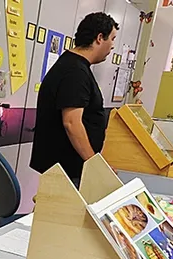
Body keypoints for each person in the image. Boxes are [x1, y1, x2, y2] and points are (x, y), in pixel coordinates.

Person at [30, 12, 119, 186]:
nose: (113, 46)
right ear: (99, 38)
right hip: (66, 172)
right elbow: (71, 122)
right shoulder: (75, 72)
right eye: (112, 39)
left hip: (68, 169)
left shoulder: (74, 66)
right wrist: (94, 165)